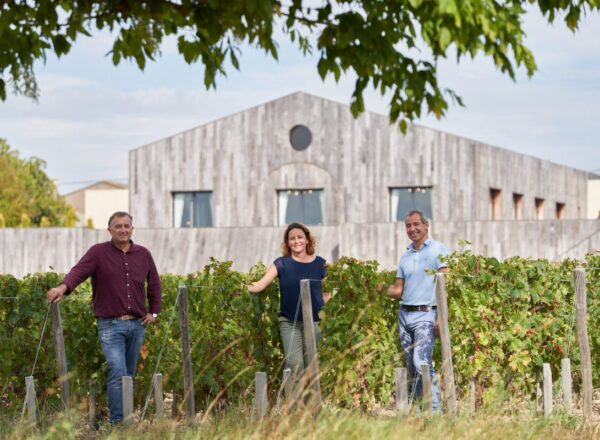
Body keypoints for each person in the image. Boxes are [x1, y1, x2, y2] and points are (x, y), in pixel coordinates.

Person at [47, 211, 161, 424]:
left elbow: (154, 283)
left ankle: (126, 421)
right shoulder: (98, 253)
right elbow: (78, 272)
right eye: (118, 226)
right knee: (118, 372)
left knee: (129, 376)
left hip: (137, 325)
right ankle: (117, 425)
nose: (123, 230)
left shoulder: (143, 254)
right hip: (110, 325)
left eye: (127, 226)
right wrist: (62, 288)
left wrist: (154, 312)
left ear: (132, 229)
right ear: (110, 230)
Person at [248, 222, 330, 383]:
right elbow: (260, 284)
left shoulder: (321, 263)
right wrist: (240, 288)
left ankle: (312, 405)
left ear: (307, 240)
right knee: (295, 365)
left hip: (315, 322)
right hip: (289, 323)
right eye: (291, 238)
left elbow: (326, 294)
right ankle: (297, 405)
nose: (296, 241)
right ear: (287, 243)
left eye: (300, 237)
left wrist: (328, 317)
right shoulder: (281, 264)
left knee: (312, 365)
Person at [386, 210, 449, 413]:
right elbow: (398, 290)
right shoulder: (405, 257)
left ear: (426, 225)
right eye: (408, 226)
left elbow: (444, 284)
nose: (412, 229)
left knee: (421, 361)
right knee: (412, 366)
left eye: (415, 224)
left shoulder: (439, 250)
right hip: (404, 314)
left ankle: (435, 411)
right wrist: (376, 288)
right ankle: (422, 410)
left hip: (426, 314)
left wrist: (441, 317)